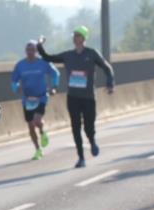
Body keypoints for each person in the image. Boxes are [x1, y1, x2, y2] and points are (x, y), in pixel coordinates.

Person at [36, 26, 114, 168]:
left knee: (88, 127)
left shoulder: (92, 54)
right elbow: (48, 58)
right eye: (74, 35)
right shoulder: (68, 56)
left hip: (88, 97)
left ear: (83, 38)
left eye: (78, 35)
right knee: (75, 127)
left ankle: (92, 140)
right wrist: (39, 45)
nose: (75, 37)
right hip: (73, 97)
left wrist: (110, 84)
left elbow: (107, 68)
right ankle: (81, 158)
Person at [11, 40, 58, 159]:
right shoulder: (20, 65)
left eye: (32, 50)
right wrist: (17, 88)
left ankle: (42, 131)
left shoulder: (43, 62)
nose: (30, 52)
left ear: (36, 51)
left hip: (41, 97)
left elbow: (55, 74)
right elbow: (13, 81)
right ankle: (38, 149)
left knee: (37, 121)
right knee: (31, 126)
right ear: (25, 51)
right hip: (27, 100)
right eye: (28, 50)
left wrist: (54, 87)